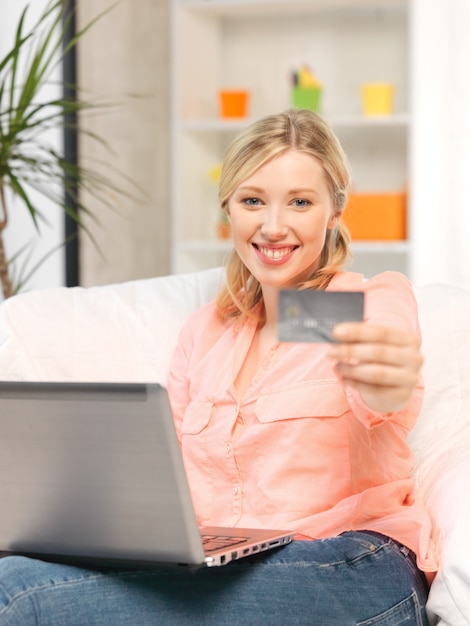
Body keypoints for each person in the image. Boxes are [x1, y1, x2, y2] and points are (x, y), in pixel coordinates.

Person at [0, 109, 437, 625]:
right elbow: (172, 484)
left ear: (334, 212)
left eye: (300, 202)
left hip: (355, 564)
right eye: (253, 201)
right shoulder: (207, 332)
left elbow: (383, 381)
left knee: (22, 595)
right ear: (228, 208)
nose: (273, 226)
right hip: (231, 566)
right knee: (20, 572)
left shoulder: (367, 300)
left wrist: (385, 377)